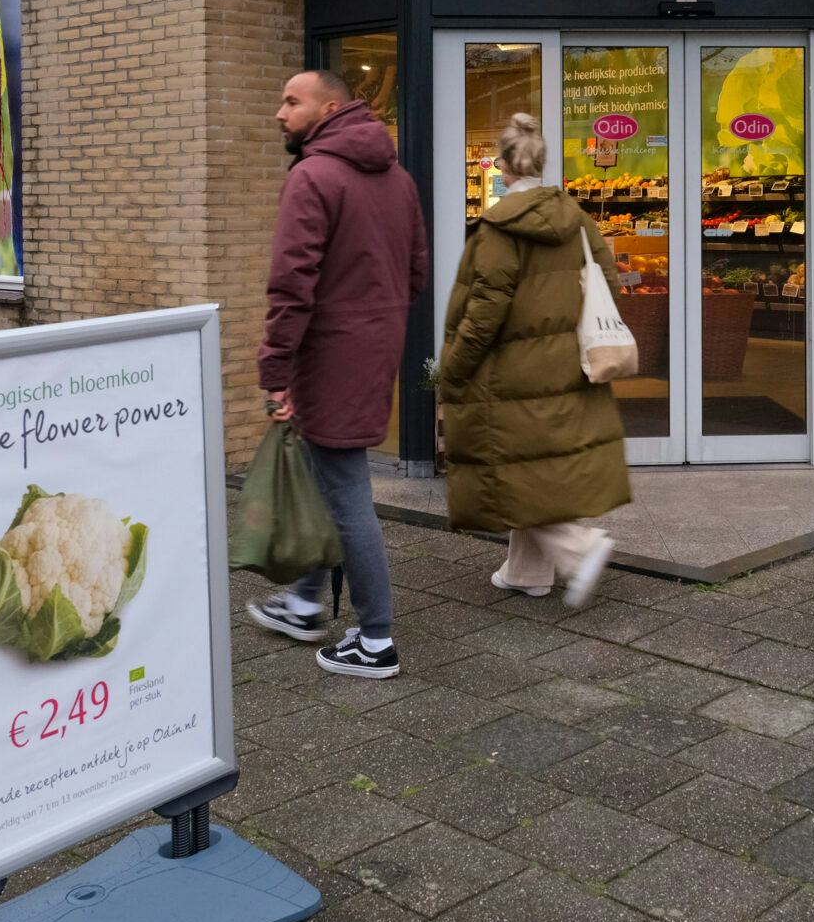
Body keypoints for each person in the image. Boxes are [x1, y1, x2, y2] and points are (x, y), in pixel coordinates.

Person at [247, 68, 428, 679]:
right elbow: (417, 272)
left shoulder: (312, 176)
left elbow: (291, 286)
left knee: (346, 492)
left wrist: (276, 368)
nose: (280, 112)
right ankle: (303, 601)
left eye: (291, 101)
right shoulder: (398, 179)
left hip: (328, 357)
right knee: (328, 478)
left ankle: (374, 639)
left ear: (328, 108)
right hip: (372, 351)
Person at [437, 113, 630, 607]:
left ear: (502, 166)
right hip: (567, 362)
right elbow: (607, 284)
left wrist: (454, 367)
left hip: (511, 370)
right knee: (529, 465)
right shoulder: (578, 218)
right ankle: (527, 572)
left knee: (511, 465)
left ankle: (579, 547)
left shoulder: (499, 228)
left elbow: (485, 310)